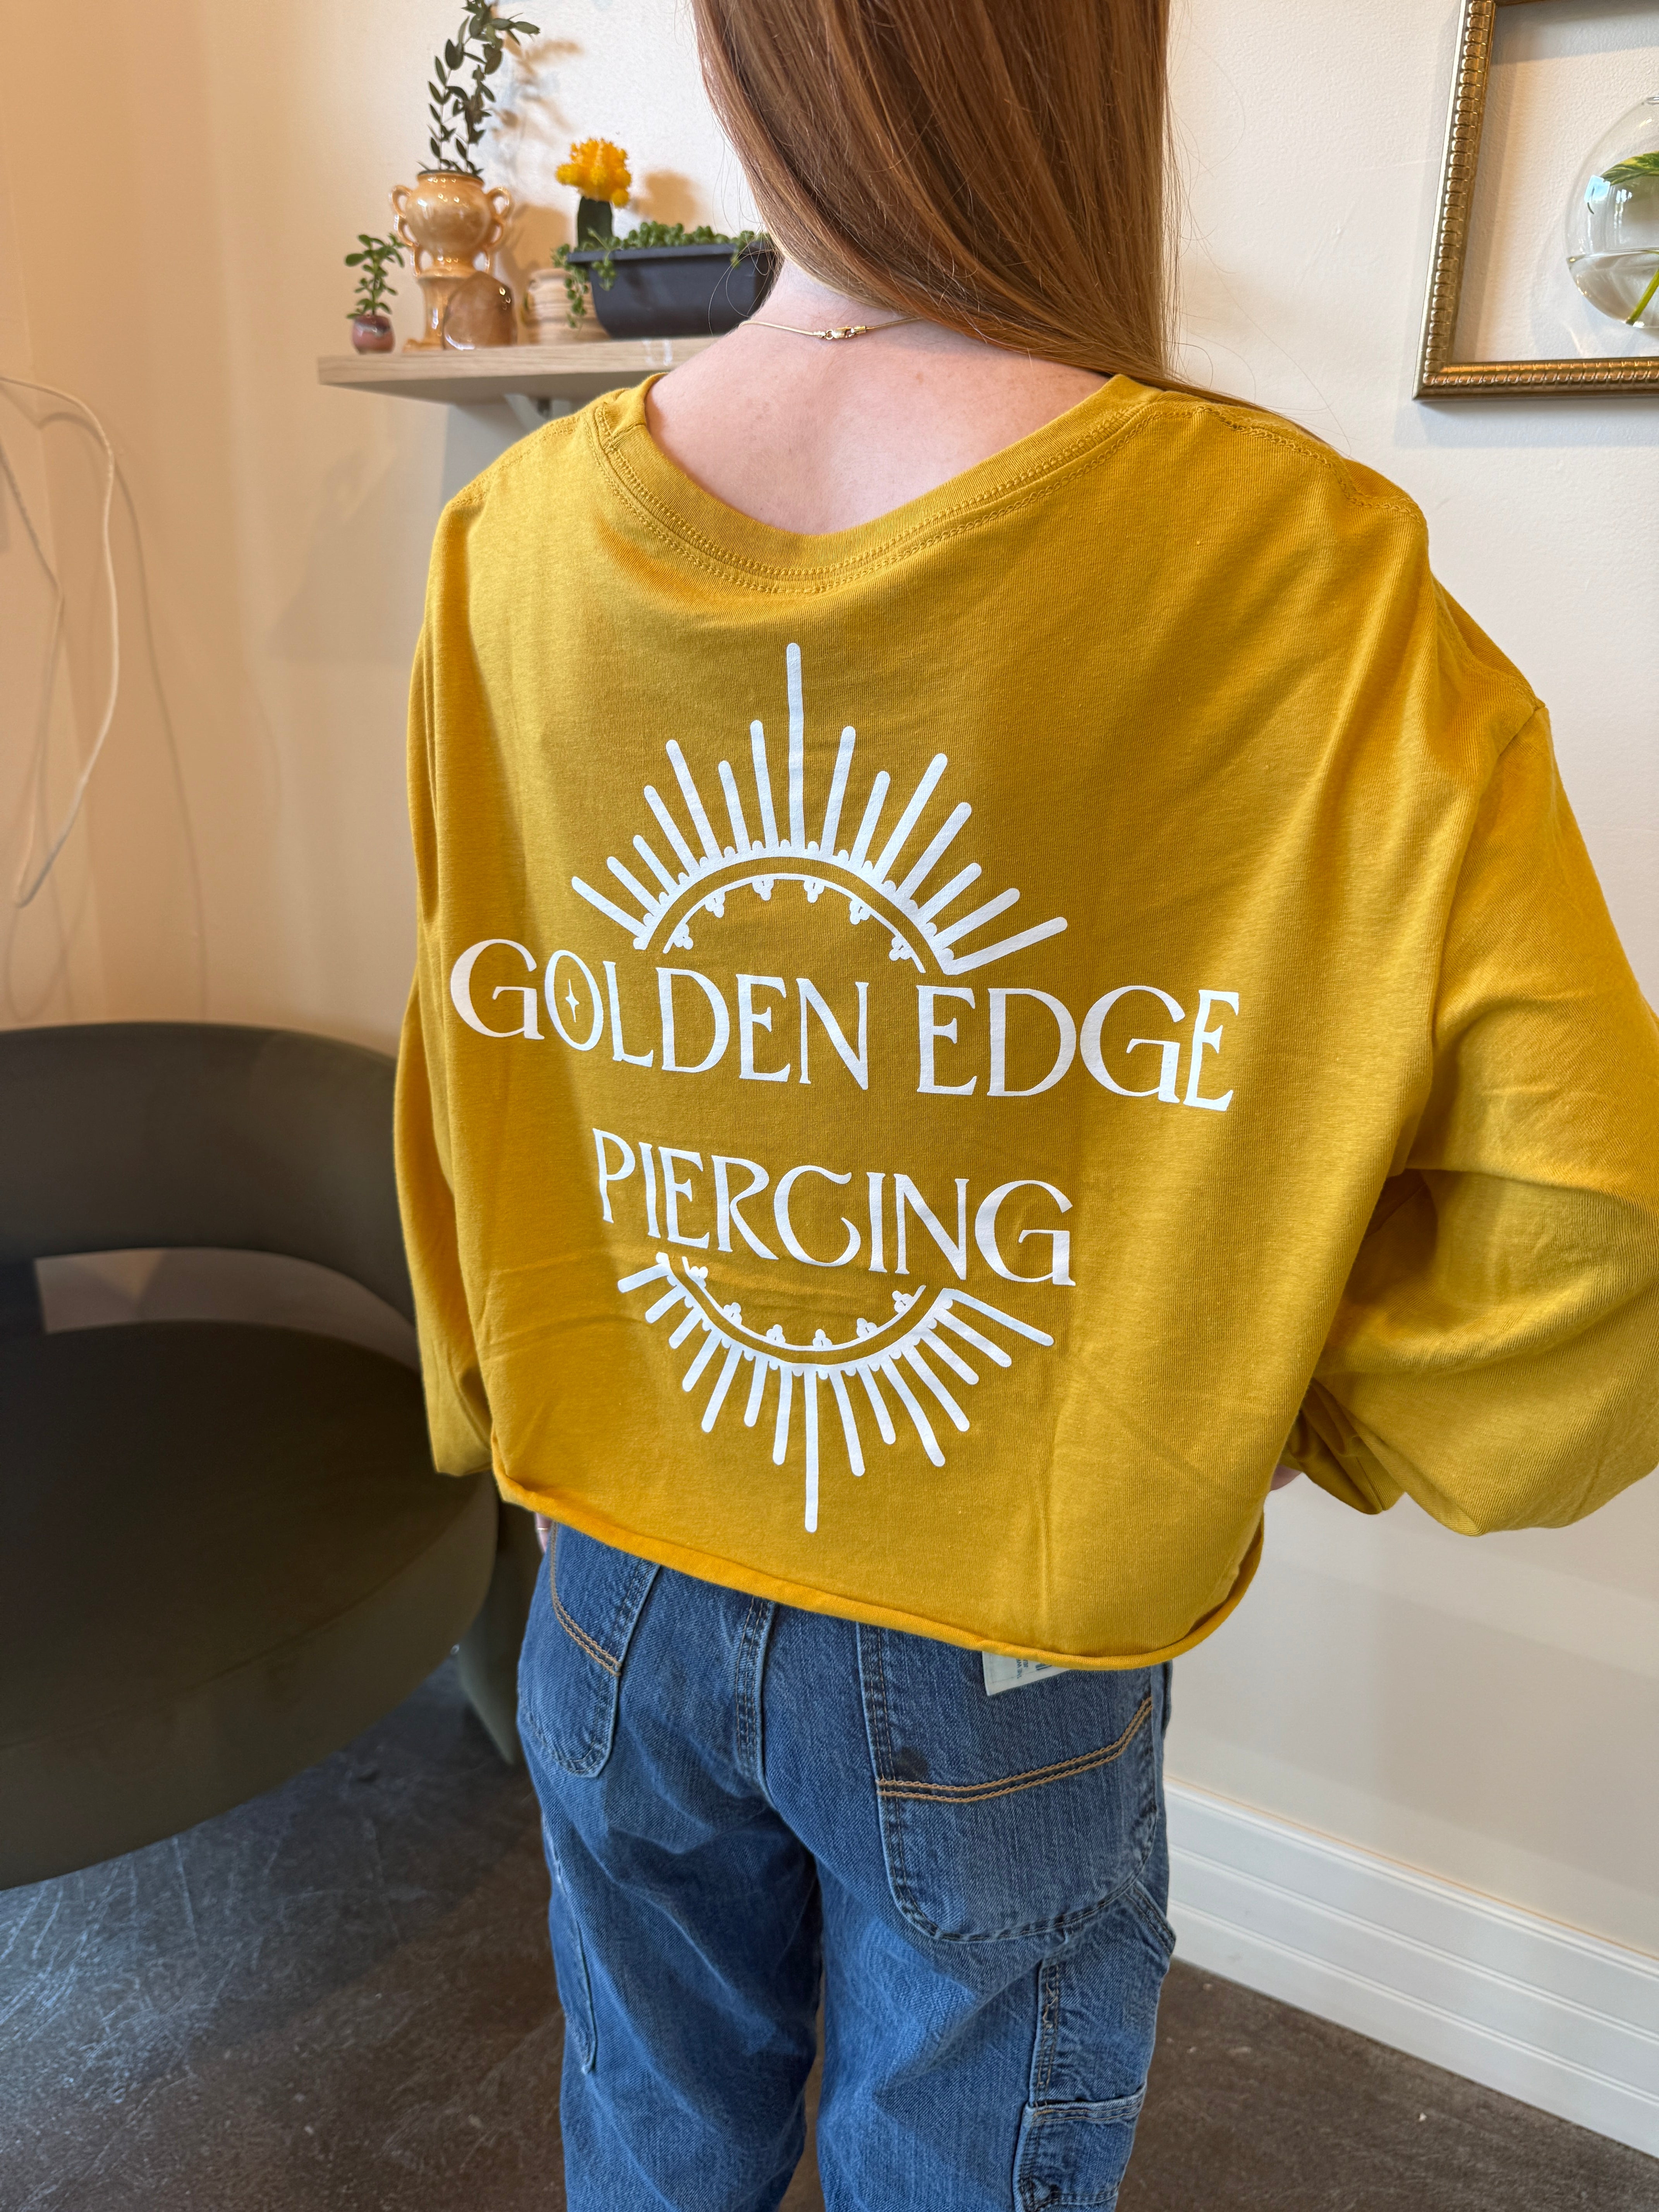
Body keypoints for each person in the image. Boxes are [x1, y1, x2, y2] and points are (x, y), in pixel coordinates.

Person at [393, 2, 1659, 2205]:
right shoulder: (1284, 563)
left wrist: (486, 1382)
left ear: (742, 63)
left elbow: (475, 1048)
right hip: (1003, 1618)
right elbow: (1593, 1224)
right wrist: (1263, 1383)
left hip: (608, 1561)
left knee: (649, 2133)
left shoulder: (506, 547)